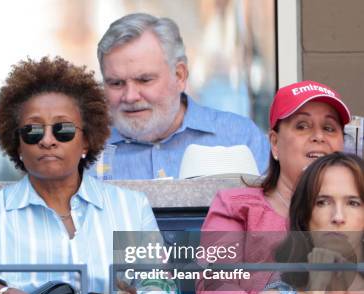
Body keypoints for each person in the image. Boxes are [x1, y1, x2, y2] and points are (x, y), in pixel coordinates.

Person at [0, 56, 175, 294]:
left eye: (63, 129)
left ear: (86, 141)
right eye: (33, 131)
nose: (47, 140)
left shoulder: (130, 206)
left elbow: (160, 287)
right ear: (17, 144)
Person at [185, 80, 351, 294]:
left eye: (329, 128)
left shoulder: (355, 213)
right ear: (274, 143)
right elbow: (214, 285)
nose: (319, 136)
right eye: (302, 126)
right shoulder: (236, 205)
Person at [97, 13, 270, 179]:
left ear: (180, 76)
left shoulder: (239, 139)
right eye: (116, 83)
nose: (130, 96)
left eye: (144, 80)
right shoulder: (88, 152)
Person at [255, 152, 364, 294]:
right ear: (305, 216)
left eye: (353, 203)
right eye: (322, 202)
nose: (338, 217)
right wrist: (316, 291)